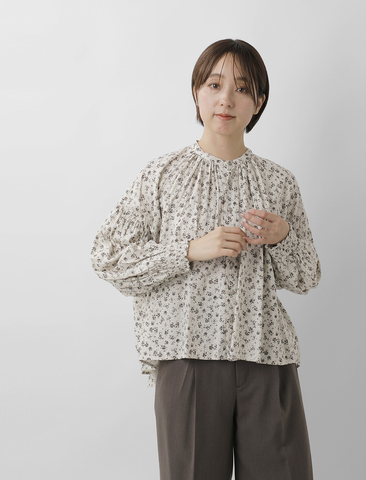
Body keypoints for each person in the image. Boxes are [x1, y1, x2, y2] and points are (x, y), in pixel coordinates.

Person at [91, 38, 321, 480]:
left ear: (259, 102)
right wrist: (188, 250)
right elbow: (108, 255)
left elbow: (307, 276)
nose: (226, 99)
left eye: (242, 88)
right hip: (186, 360)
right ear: (196, 92)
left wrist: (283, 237)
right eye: (215, 85)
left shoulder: (279, 183)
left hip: (266, 358)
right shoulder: (163, 175)